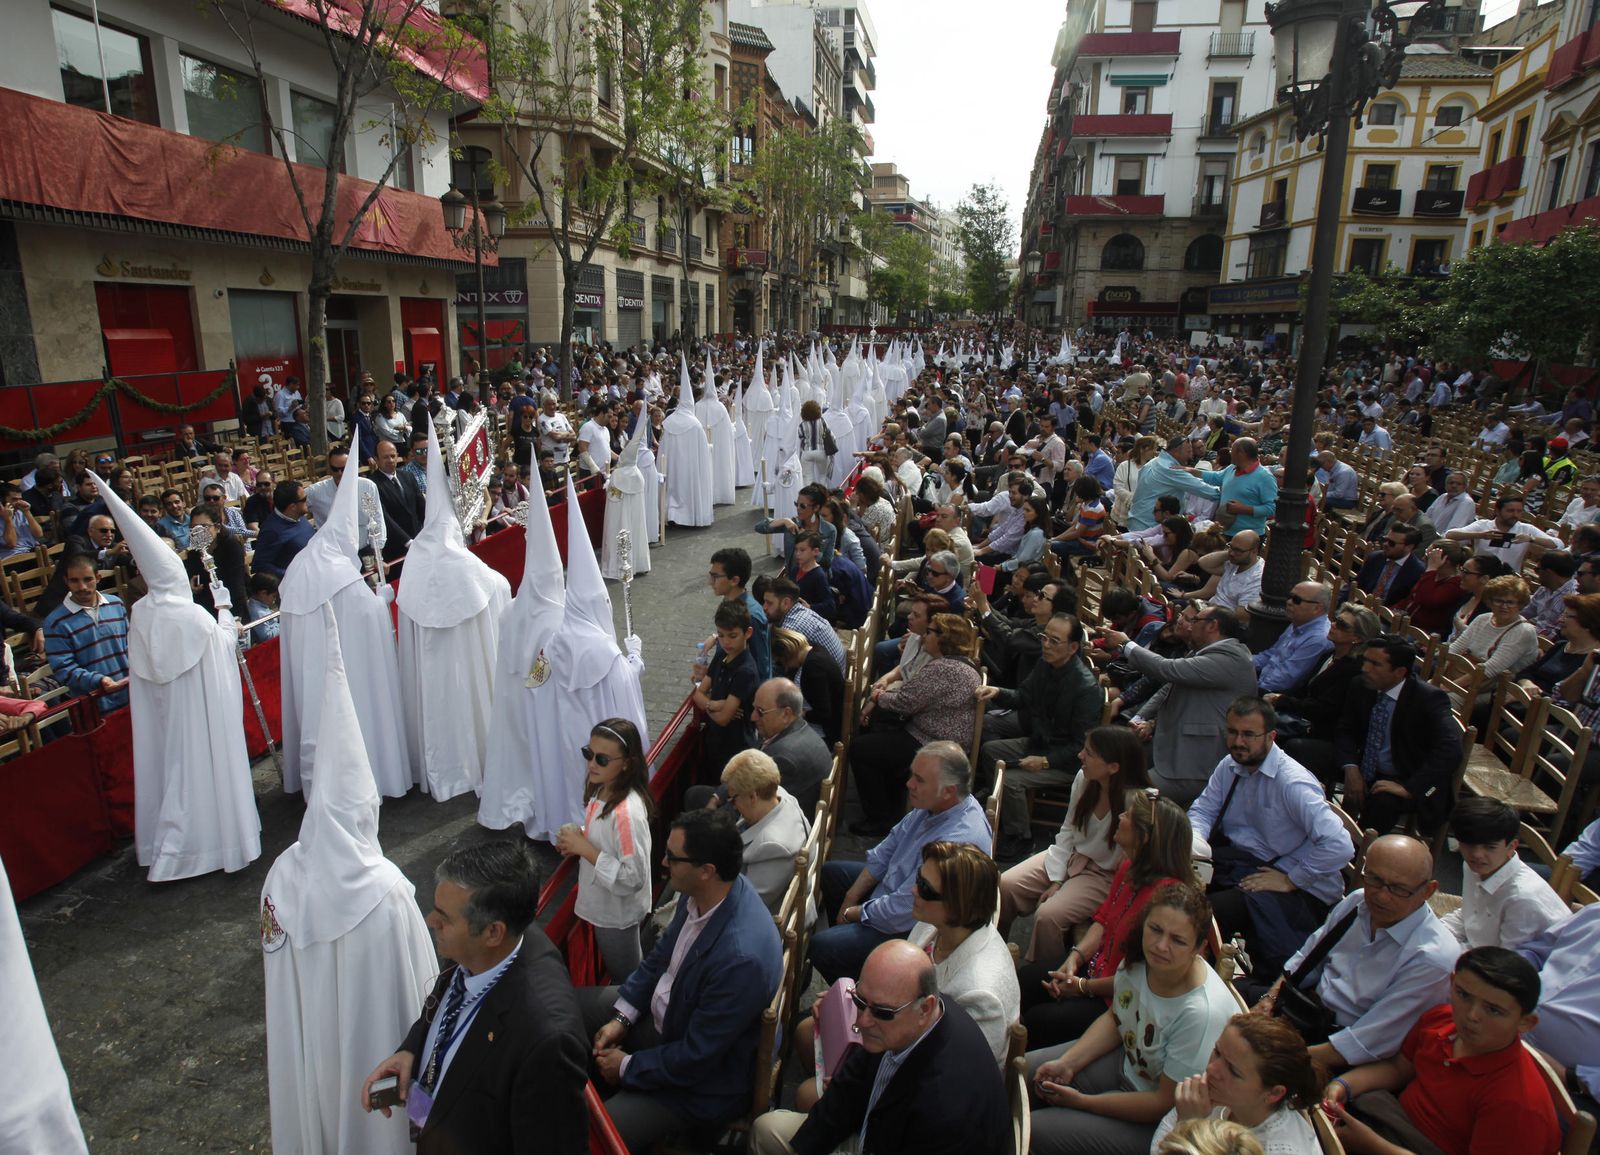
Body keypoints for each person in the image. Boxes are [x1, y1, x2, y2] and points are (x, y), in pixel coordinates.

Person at [263, 623, 435, 1155]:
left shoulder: (281, 874)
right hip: (372, 1055)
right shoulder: (385, 892)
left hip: (308, 1041)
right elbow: (421, 987)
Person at [360, 841, 589, 1154]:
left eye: (444, 917)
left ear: (493, 933)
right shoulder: (473, 947)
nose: (430, 921)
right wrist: (412, 1050)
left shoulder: (546, 1041)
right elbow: (442, 1006)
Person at [89, 472, 261, 880]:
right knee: (201, 772)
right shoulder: (189, 614)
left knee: (170, 771)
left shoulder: (143, 612)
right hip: (198, 713)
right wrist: (224, 618)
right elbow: (219, 644)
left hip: (164, 714)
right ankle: (210, 842)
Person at [582, 809, 784, 1152]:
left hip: (700, 1085)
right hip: (673, 1020)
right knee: (572, 1007)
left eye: (673, 858)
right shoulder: (708, 892)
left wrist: (627, 1067)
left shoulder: (739, 960)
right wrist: (621, 1017)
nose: (662, 862)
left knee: (592, 1138)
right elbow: (661, 957)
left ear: (706, 871)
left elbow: (697, 1058)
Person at [1027, 883, 1240, 1155]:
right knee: (1024, 1074)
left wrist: (1082, 1102)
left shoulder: (1200, 1014)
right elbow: (1118, 1016)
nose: (1161, 946)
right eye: (1155, 929)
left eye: (1178, 940)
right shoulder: (1141, 959)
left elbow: (1163, 1103)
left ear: (1198, 948)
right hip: (1130, 1064)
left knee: (1035, 1130)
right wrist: (1069, 1063)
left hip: (1162, 1123)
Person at [749, 939, 1010, 1155]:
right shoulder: (913, 1018)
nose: (863, 1020)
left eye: (882, 1012)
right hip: (879, 1132)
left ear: (926, 1007)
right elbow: (851, 1083)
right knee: (767, 1129)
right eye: (860, 1001)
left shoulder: (944, 1110)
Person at [1322, 947, 1561, 1155]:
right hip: (1391, 1122)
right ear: (1452, 982)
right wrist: (1342, 1085)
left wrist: (1371, 1145)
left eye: (1494, 1010)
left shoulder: (1518, 1105)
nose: (1471, 1015)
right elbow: (1398, 1069)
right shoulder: (1441, 1020)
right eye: (1463, 995)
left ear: (1525, 1023)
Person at [1255, 835, 1459, 1072]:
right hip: (1304, 1011)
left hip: (1340, 1055)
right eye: (1374, 879)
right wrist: (1268, 1002)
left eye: (1398, 889)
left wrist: (1277, 1059)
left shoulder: (1432, 958)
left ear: (1428, 891)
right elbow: (1305, 961)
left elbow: (1364, 1044)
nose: (1382, 895)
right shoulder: (1357, 903)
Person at [1190, 698, 1354, 979]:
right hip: (1246, 864)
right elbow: (1204, 810)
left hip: (1299, 886)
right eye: (1232, 732)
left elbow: (1340, 845)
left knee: (1203, 913)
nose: (1238, 741)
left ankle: (1200, 979)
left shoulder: (1293, 782)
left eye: (1248, 735)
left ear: (1271, 737)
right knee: (1176, 886)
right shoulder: (1230, 765)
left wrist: (1292, 879)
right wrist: (1195, 848)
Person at [1021, 792, 1197, 1050]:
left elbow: (1143, 978)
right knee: (1026, 981)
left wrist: (1082, 987)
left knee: (1038, 1022)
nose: (1120, 817)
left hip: (1121, 999)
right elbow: (1103, 922)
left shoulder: (1166, 901)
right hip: (1094, 969)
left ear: (1144, 837)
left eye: (1127, 816)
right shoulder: (1128, 867)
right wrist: (1074, 959)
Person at [395, 419, 513, 801]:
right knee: (468, 707)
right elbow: (499, 589)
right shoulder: (467, 566)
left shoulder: (414, 559)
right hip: (466, 663)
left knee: (437, 707)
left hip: (430, 667)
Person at [814, 741, 993, 984]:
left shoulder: (957, 841)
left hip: (914, 926)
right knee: (832, 873)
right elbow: (887, 849)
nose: (909, 784)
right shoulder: (934, 803)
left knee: (822, 946)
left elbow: (902, 910)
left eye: (919, 779)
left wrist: (853, 912)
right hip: (895, 892)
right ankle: (857, 963)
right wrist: (850, 898)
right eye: (912, 775)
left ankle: (868, 990)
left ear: (949, 791)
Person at [1000, 725, 1146, 962]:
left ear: (1114, 767)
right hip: (1070, 855)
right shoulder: (1084, 779)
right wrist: (1057, 879)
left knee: (1048, 916)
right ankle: (996, 950)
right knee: (1005, 885)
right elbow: (1068, 828)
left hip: (1103, 874)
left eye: (1089, 753)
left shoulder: (1138, 801)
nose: (1080, 756)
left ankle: (1045, 975)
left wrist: (1061, 884)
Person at [977, 612, 1105, 859]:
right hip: (1041, 741)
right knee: (991, 750)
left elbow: (1080, 746)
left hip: (1066, 759)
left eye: (1054, 641)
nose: (1046, 645)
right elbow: (1023, 697)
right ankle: (1002, 808)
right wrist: (996, 692)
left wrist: (1044, 762)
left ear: (1073, 647)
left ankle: (1020, 838)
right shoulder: (1046, 665)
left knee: (1011, 780)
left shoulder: (1086, 688)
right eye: (1044, 638)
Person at [1112, 604, 1260, 806]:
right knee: (1106, 765)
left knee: (1128, 799)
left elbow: (1167, 669)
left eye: (1195, 620)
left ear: (1212, 626)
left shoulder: (1230, 658)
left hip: (1192, 765)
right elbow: (1169, 686)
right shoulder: (1206, 652)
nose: (1189, 626)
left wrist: (1127, 645)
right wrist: (1140, 717)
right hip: (1168, 741)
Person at [852, 613, 983, 835]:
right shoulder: (959, 665)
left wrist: (877, 697)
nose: (924, 637)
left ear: (944, 638)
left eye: (929, 632)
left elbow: (905, 702)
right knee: (882, 735)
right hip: (935, 735)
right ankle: (891, 805)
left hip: (933, 743)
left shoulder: (944, 668)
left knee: (861, 749)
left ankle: (879, 818)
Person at [555, 719, 654, 984]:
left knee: (627, 976)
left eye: (601, 759)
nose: (591, 764)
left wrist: (585, 848)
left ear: (626, 763)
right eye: (588, 754)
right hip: (605, 904)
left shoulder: (626, 814)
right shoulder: (604, 787)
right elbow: (604, 837)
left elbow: (633, 877)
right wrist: (578, 837)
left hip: (615, 914)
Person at [1334, 636, 1462, 835]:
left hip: (1406, 776)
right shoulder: (1361, 685)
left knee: (1382, 802)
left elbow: (1451, 750)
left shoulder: (1429, 699)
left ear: (1400, 672)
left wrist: (1409, 788)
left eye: (1375, 664)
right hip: (1364, 765)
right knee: (1303, 751)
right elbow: (1345, 729)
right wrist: (1351, 768)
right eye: (1365, 660)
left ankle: (1357, 857)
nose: (1365, 668)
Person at [1150, 1013, 1321, 1155]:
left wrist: (1188, 1125)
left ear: (1273, 1094)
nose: (1211, 1069)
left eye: (1233, 1070)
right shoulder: (1223, 1090)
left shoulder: (1278, 1150)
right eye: (1217, 1052)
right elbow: (1160, 1141)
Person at [1440, 798, 1569, 950]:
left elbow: (1503, 962)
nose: (1477, 854)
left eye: (1489, 847)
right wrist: (1434, 935)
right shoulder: (1473, 867)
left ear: (1512, 846)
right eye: (1469, 844)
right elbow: (1469, 915)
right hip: (1480, 951)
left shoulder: (1522, 898)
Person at [719, 749, 811, 912]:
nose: (733, 806)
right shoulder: (779, 795)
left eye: (734, 799)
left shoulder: (772, 846)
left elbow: (745, 906)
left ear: (753, 797)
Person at [42, 555, 131, 711]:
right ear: (66, 581)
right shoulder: (55, 622)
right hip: (94, 706)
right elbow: (64, 670)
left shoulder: (116, 604)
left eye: (87, 579)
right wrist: (98, 680)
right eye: (74, 581)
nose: (82, 586)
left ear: (98, 578)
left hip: (131, 695)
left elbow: (130, 645)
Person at [694, 599, 760, 781]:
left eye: (732, 636)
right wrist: (715, 704)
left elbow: (724, 719)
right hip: (715, 742)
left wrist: (707, 705)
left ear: (748, 633)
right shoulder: (723, 655)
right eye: (721, 635)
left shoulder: (746, 671)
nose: (725, 642)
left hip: (736, 748)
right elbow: (697, 693)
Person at [749, 676, 831, 818]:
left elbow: (752, 807)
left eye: (760, 711)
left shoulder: (782, 758)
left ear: (786, 714)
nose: (753, 717)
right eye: (753, 709)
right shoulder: (801, 728)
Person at [659, 356, 714, 527]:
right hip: (690, 468)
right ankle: (688, 515)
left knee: (673, 489)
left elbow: (662, 450)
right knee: (687, 489)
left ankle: (671, 514)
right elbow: (703, 454)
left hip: (672, 466)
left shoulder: (668, 422)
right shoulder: (695, 425)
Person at [1252, 582, 1333, 695]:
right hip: (1261, 682)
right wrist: (1242, 662)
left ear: (1316, 608)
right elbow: (1270, 655)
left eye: (1297, 600)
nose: (1289, 602)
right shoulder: (1299, 622)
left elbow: (1285, 679)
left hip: (1274, 696)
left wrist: (1251, 690)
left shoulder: (1317, 639)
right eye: (1290, 597)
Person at [1445, 495, 1562, 573]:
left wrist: (1531, 539)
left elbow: (1559, 545)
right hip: (1479, 575)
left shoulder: (1526, 529)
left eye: (1519, 511)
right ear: (1497, 511)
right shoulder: (1483, 525)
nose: (1515, 515)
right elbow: (1449, 535)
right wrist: (1480, 535)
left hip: (1508, 578)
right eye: (1510, 511)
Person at [769, 627, 843, 747]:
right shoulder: (815, 648)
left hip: (828, 732)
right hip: (834, 717)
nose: (785, 667)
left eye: (780, 662)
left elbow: (823, 713)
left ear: (788, 653)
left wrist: (802, 714)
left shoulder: (813, 669)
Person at [370, 439, 425, 570]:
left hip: (419, 541)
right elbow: (384, 517)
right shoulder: (372, 484)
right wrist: (407, 541)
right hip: (396, 549)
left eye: (393, 456)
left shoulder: (407, 476)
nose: (390, 460)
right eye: (385, 457)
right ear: (376, 459)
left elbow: (421, 507)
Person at [253, 480, 317, 578]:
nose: (307, 501)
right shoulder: (271, 531)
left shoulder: (298, 516)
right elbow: (260, 566)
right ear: (293, 507)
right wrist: (292, 575)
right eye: (304, 499)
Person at [1356, 524, 1426, 606]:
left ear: (1409, 547)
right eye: (1385, 539)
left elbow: (1407, 603)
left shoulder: (1417, 571)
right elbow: (1357, 583)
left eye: (1391, 543)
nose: (1385, 544)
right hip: (1362, 606)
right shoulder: (1375, 557)